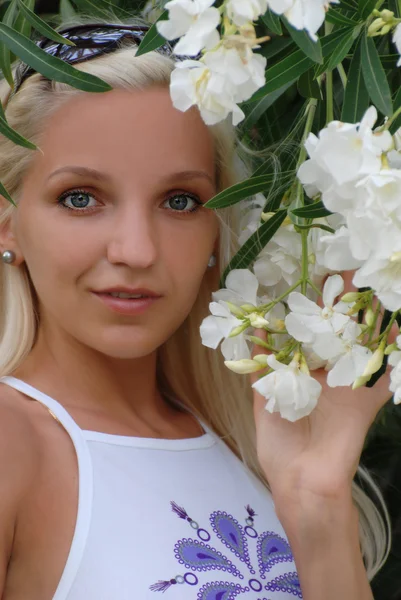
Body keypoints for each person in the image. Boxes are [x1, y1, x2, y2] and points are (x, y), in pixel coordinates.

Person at [0, 17, 392, 600]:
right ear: (8, 222)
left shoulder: (253, 449)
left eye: (180, 201)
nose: (135, 250)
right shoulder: (13, 442)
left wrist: (316, 502)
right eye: (80, 198)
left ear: (218, 231)